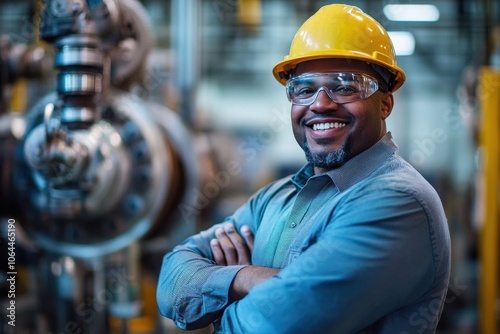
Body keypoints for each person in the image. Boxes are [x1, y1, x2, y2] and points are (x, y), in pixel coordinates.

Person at [156, 4, 451, 333]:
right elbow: (171, 281)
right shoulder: (273, 198)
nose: (321, 103)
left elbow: (271, 327)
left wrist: (221, 300)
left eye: (345, 86)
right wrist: (245, 277)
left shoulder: (399, 202)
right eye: (305, 90)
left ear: (385, 103)